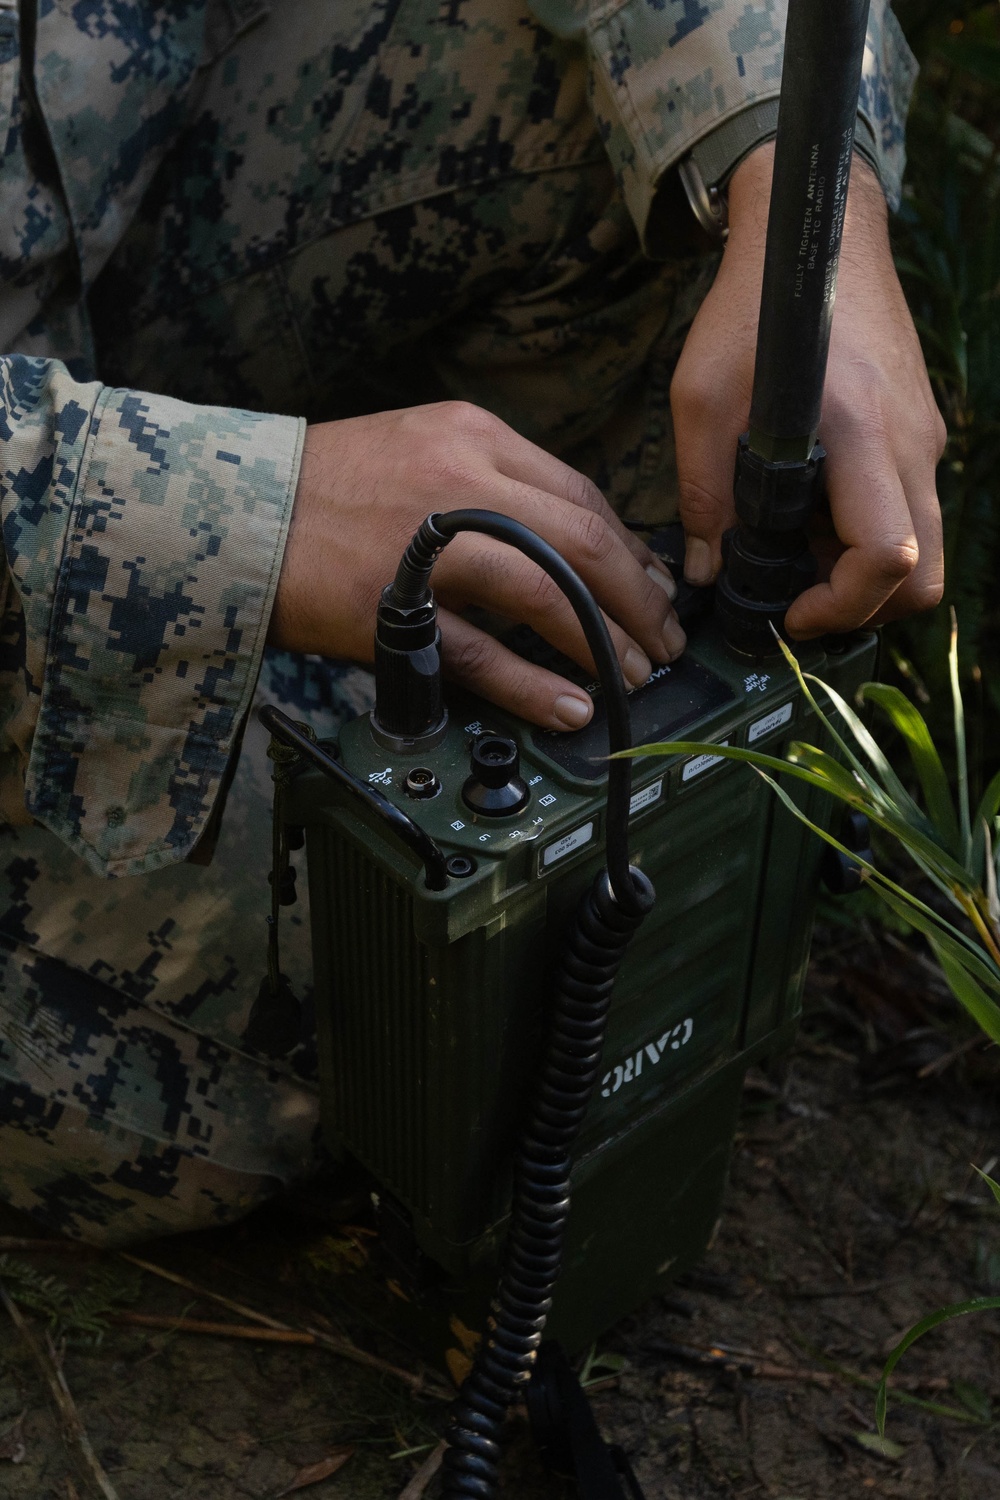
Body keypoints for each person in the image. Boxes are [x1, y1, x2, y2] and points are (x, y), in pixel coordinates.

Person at [0, 0, 944, 1244]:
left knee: (673, 188)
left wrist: (806, 195)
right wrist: (254, 510)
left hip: (117, 245)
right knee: (377, 1013)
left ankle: (676, 807)